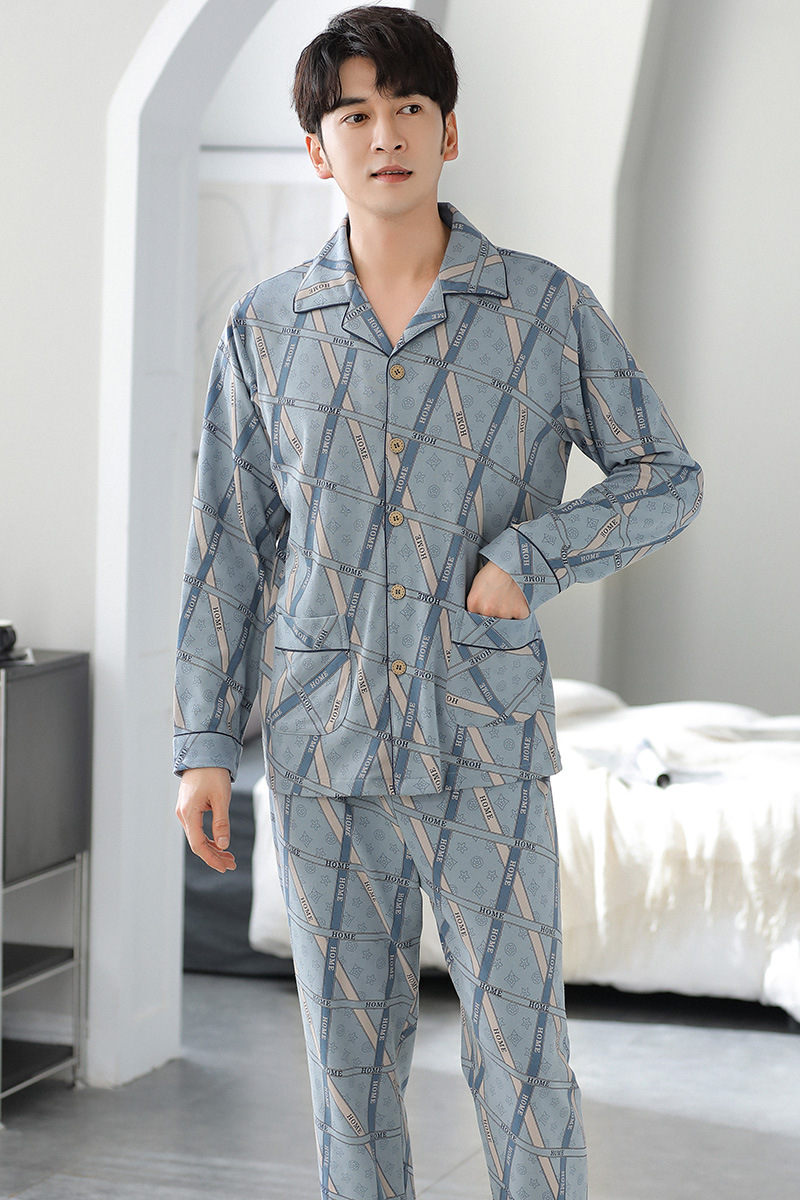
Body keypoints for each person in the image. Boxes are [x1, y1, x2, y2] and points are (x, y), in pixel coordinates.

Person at [174, 7, 703, 1198]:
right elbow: (226, 547)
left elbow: (665, 476)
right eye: (354, 114)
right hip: (322, 748)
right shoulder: (267, 330)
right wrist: (203, 743)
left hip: (482, 742)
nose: (385, 135)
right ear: (317, 149)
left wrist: (530, 556)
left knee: (522, 1059)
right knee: (347, 1074)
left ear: (448, 131)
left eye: (408, 108)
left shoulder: (541, 311)